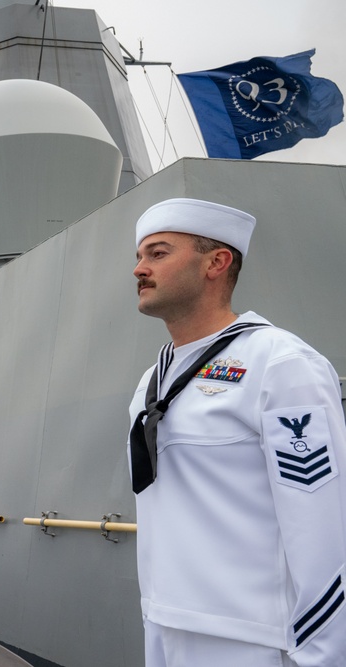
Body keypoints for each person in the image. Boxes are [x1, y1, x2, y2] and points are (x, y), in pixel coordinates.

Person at [128, 198, 346, 666]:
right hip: (164, 624)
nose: (139, 269)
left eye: (158, 253)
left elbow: (324, 526)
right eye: (139, 256)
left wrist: (323, 656)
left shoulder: (280, 365)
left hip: (251, 637)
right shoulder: (152, 380)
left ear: (217, 262)